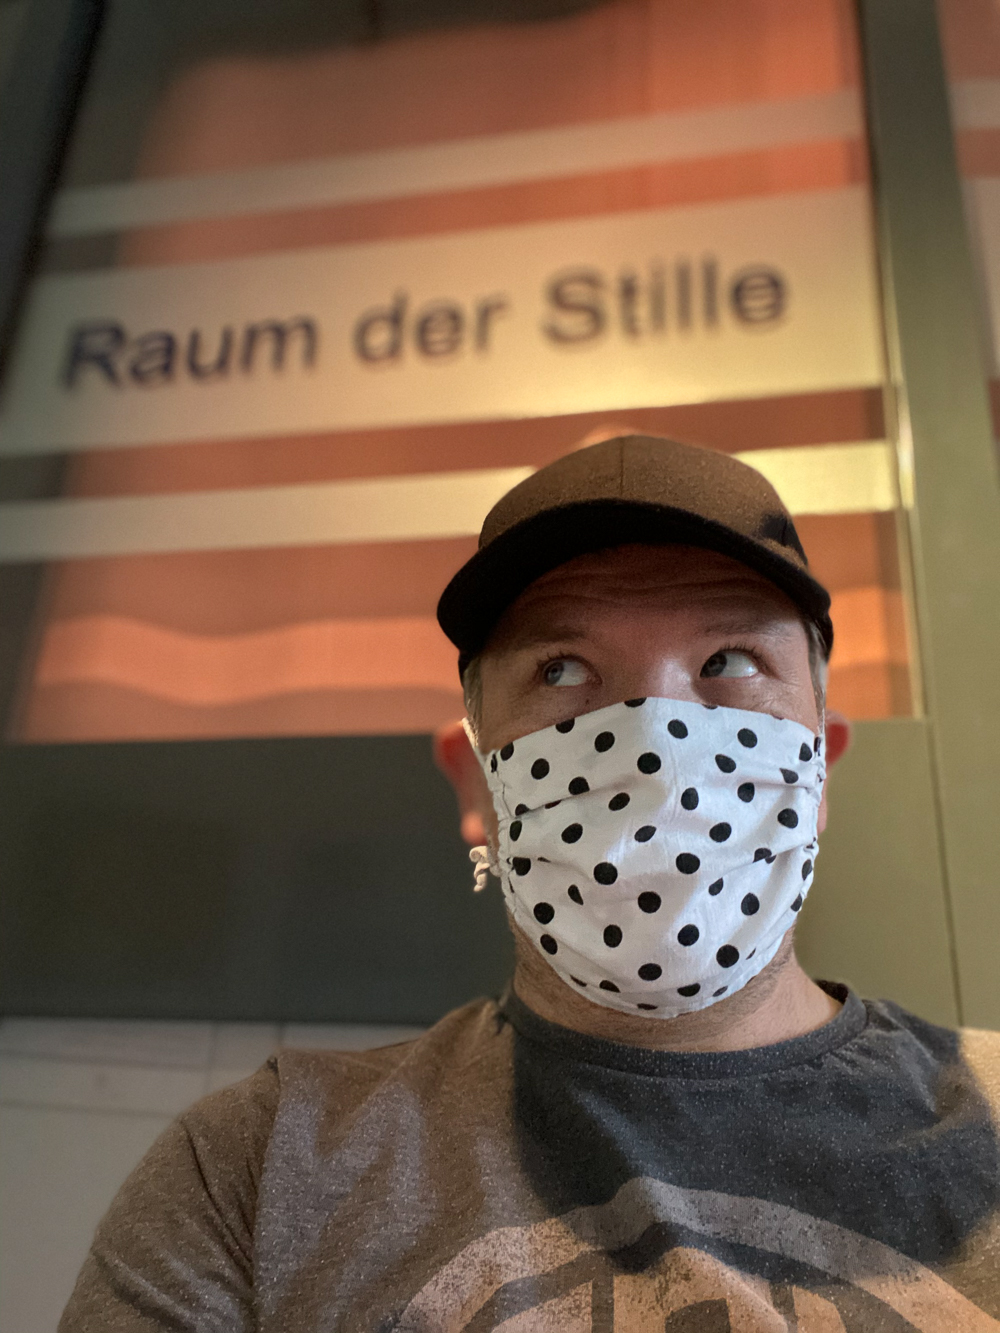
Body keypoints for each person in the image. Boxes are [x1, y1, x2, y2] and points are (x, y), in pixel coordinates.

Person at [60, 436, 1000, 1332]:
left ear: (819, 770)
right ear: (476, 785)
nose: (654, 742)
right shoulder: (257, 1169)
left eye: (729, 661)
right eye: (563, 669)